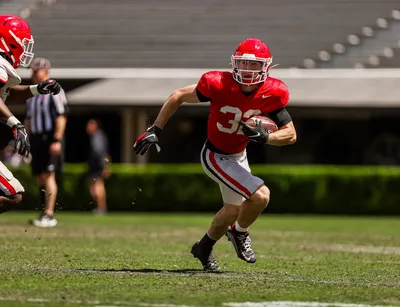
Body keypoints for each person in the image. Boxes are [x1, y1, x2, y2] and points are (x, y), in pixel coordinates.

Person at [133, 38, 297, 271]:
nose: (248, 71)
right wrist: (155, 129)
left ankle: (203, 247)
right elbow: (178, 95)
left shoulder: (272, 92)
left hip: (239, 154)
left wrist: (266, 138)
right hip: (216, 155)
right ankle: (240, 233)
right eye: (243, 64)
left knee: (232, 210)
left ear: (266, 67)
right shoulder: (218, 83)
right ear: (234, 64)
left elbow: (291, 134)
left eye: (254, 65)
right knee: (260, 196)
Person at [0, 14, 61, 219]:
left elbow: (3, 95)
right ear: (8, 40)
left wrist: (37, 89)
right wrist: (16, 124)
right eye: (23, 42)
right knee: (12, 194)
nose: (25, 48)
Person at [25, 57, 68, 227]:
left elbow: (61, 116)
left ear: (47, 71)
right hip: (36, 138)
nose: (35, 74)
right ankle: (44, 210)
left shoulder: (54, 91)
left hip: (50, 137)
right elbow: (28, 118)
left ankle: (49, 213)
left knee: (49, 174)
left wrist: (57, 139)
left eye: (38, 70)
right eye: (33, 71)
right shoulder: (31, 93)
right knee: (40, 176)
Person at [86, 118, 110, 215]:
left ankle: (101, 208)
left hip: (97, 166)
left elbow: (102, 153)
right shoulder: (97, 136)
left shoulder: (97, 137)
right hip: (96, 165)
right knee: (94, 187)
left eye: (90, 125)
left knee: (98, 186)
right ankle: (99, 207)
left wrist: (105, 166)